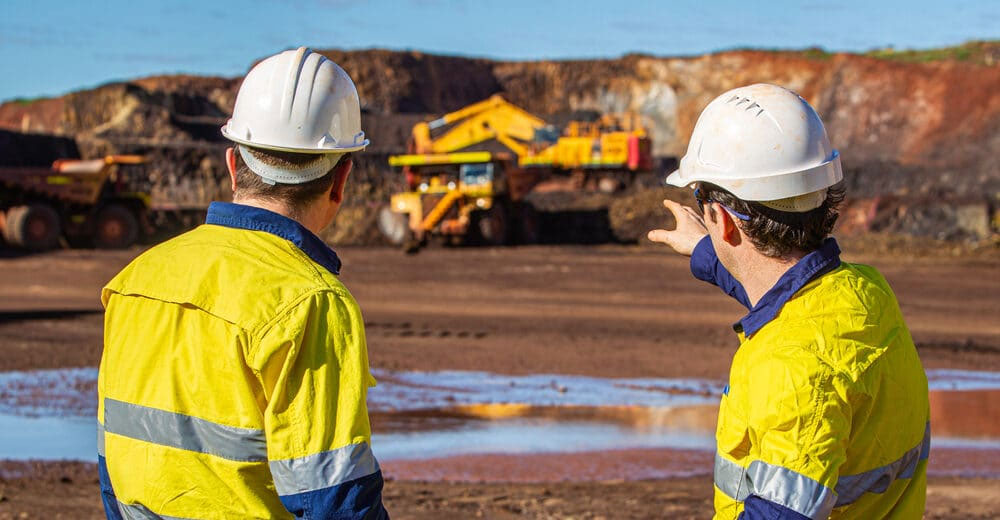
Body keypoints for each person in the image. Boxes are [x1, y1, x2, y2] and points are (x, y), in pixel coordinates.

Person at [97, 47, 389, 520]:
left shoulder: (136, 280)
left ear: (234, 165)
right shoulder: (310, 302)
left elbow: (113, 466)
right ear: (341, 179)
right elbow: (334, 501)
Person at [648, 84, 929, 519]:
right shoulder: (863, 292)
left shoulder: (794, 367)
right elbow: (777, 290)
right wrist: (706, 251)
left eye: (701, 200)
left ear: (721, 219)